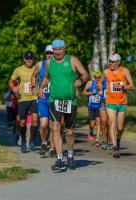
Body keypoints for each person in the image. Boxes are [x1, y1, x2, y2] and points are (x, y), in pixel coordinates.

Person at [39, 38, 89, 171]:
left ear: (64, 49)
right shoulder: (49, 63)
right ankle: (60, 158)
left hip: (70, 101)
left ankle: (71, 155)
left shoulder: (72, 60)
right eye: (55, 49)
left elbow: (85, 74)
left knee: (70, 132)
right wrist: (41, 87)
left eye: (59, 49)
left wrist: (80, 80)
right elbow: (47, 77)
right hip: (54, 100)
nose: (57, 52)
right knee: (55, 128)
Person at [99, 53, 135, 158]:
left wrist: (123, 86)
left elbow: (132, 86)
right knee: (112, 122)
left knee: (120, 127)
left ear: (118, 62)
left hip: (122, 102)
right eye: (109, 61)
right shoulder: (106, 72)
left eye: (112, 61)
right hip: (110, 102)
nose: (110, 63)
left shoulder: (125, 71)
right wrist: (101, 89)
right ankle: (114, 147)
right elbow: (100, 82)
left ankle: (118, 140)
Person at [9, 51, 39, 153]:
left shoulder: (37, 68)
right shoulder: (18, 70)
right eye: (27, 58)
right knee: (22, 122)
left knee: (35, 120)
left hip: (34, 98)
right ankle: (22, 141)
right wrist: (13, 88)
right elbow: (11, 80)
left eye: (31, 58)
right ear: (24, 59)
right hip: (22, 99)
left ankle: (31, 141)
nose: (29, 60)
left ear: (33, 59)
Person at [31, 45, 54, 157]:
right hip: (43, 99)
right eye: (47, 53)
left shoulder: (58, 66)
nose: (49, 55)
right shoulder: (40, 65)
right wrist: (34, 87)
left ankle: (53, 148)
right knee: (43, 125)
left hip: (54, 99)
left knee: (53, 126)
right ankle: (44, 143)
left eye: (51, 53)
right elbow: (33, 76)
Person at [82, 70, 102, 147]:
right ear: (94, 77)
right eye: (96, 77)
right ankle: (91, 130)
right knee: (92, 124)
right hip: (91, 107)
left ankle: (97, 140)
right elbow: (83, 92)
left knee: (98, 123)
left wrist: (101, 93)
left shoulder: (101, 84)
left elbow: (105, 94)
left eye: (99, 77)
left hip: (98, 107)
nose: (97, 79)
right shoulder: (90, 83)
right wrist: (91, 93)